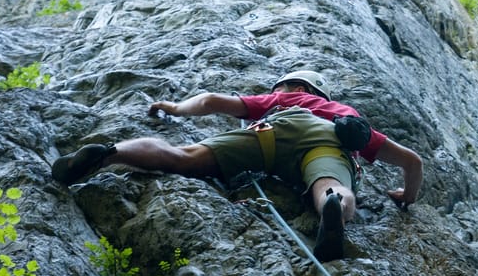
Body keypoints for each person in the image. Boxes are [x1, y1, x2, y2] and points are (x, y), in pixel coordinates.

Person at [51, 70, 423, 262]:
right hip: (327, 141)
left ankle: (108, 153)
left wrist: (175, 107)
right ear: (320, 93)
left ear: (291, 88)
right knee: (329, 185)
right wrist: (406, 195)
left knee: (185, 157)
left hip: (272, 131)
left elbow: (212, 99)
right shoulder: (344, 114)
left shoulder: (280, 99)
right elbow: (412, 161)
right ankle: (333, 209)